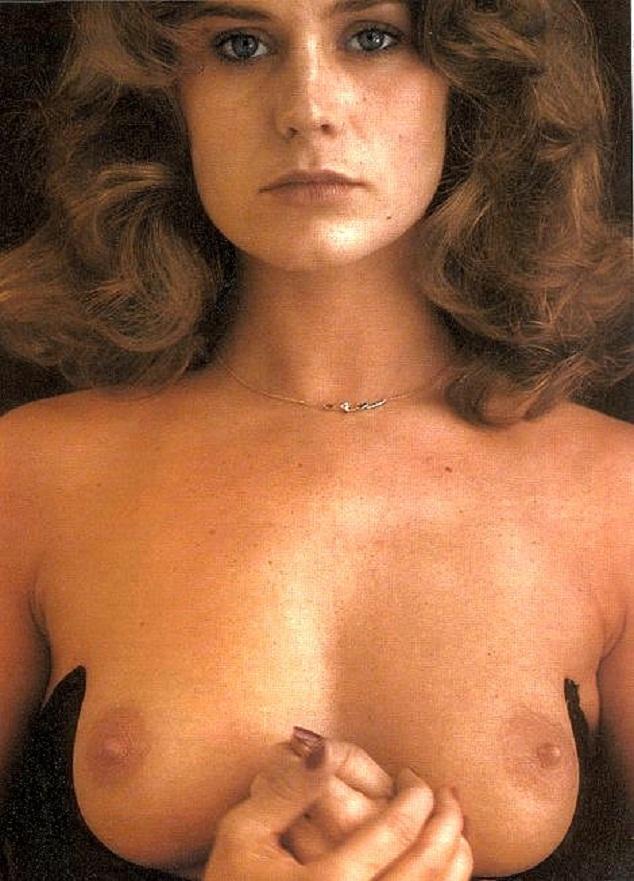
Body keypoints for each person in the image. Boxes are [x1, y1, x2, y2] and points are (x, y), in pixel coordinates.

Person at [0, 0, 631, 879]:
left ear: (477, 81)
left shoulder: (615, 493)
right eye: (240, 44)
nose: (308, 107)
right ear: (162, 95)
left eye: (373, 38)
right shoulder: (31, 475)